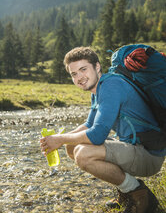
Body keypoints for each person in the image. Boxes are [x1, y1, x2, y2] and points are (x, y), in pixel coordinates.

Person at [40, 47, 165, 213]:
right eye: (74, 74)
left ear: (97, 66)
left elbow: (97, 135)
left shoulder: (111, 86)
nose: (79, 77)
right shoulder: (98, 89)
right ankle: (126, 190)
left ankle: (139, 194)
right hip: (135, 147)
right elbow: (89, 124)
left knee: (84, 154)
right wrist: (58, 138)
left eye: (83, 69)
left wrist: (60, 140)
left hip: (149, 155)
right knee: (72, 147)